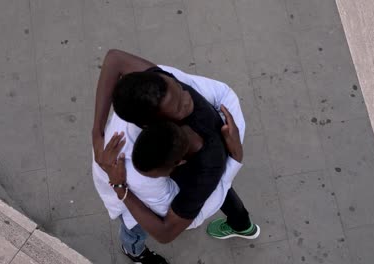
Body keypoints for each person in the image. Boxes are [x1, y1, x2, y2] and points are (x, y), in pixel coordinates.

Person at [92, 50, 259, 263]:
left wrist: (120, 189)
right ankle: (241, 223)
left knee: (134, 228)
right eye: (179, 105)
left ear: (178, 163)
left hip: (204, 175)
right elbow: (115, 58)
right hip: (207, 172)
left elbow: (165, 232)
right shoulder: (160, 89)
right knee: (222, 192)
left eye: (179, 88)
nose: (190, 97)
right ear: (150, 124)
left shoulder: (205, 167)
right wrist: (96, 133)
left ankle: (134, 252)